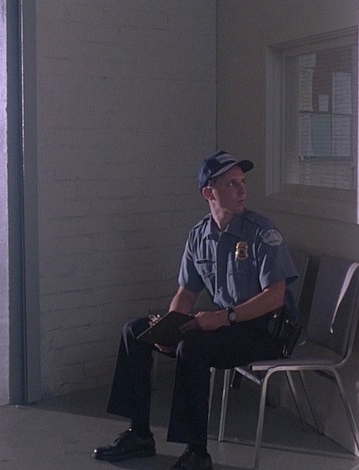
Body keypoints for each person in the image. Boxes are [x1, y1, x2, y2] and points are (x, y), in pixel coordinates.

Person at [92, 151, 297, 470]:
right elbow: (186, 293)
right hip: (226, 325)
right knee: (135, 331)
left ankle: (197, 453)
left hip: (264, 331)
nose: (242, 190)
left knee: (193, 347)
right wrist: (168, 327)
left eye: (242, 182)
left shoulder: (261, 232)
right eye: (231, 184)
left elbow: (276, 296)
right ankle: (139, 433)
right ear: (208, 193)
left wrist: (223, 317)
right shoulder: (200, 235)